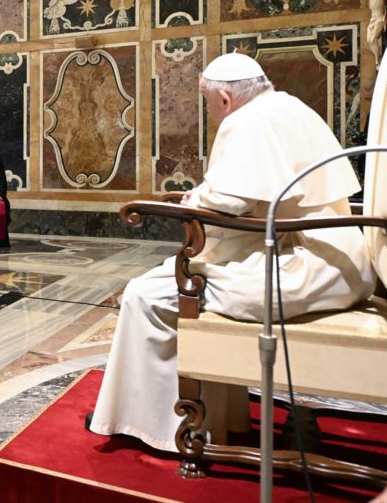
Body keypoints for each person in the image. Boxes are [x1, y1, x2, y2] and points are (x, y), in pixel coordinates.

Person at [88, 53, 375, 452]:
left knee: (146, 293)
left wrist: (193, 198)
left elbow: (229, 201)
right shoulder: (290, 106)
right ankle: (214, 418)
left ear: (224, 98)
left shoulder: (245, 120)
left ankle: (159, 426)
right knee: (168, 281)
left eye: (206, 103)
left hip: (301, 270)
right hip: (341, 263)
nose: (210, 113)